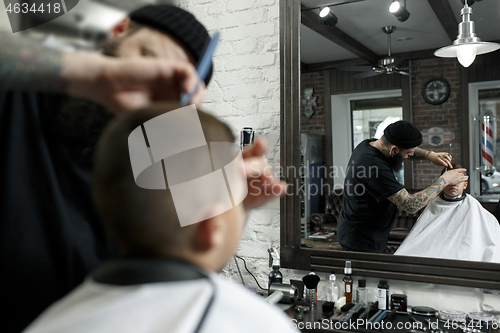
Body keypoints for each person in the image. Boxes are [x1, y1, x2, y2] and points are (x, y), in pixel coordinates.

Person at [0, 5, 210, 332]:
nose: (150, 86)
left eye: (170, 92)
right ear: (119, 31)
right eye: (146, 57)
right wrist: (96, 75)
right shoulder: (22, 97)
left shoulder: (139, 183)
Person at [22, 104, 296, 333]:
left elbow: (203, 235)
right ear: (212, 226)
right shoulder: (255, 325)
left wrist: (234, 207)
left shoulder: (50, 322)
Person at [337, 120, 468, 253]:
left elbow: (405, 149)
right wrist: (444, 181)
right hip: (360, 239)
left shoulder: (370, 144)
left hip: (368, 231)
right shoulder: (373, 166)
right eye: (409, 153)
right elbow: (411, 205)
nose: (410, 155)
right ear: (393, 149)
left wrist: (431, 155)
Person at [395, 165, 500, 262]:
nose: (453, 184)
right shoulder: (434, 204)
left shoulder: (472, 205)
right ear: (442, 182)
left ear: (465, 184)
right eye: (450, 180)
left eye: (458, 180)